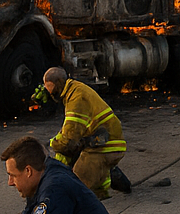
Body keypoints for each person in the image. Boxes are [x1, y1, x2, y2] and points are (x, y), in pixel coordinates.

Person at [35, 67, 131, 199]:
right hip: (97, 140)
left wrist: (52, 146)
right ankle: (107, 172)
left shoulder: (76, 98)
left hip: (106, 145)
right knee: (72, 155)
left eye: (51, 88)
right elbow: (67, 130)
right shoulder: (73, 89)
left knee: (75, 187)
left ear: (59, 82)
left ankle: (106, 171)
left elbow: (69, 140)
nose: (51, 93)